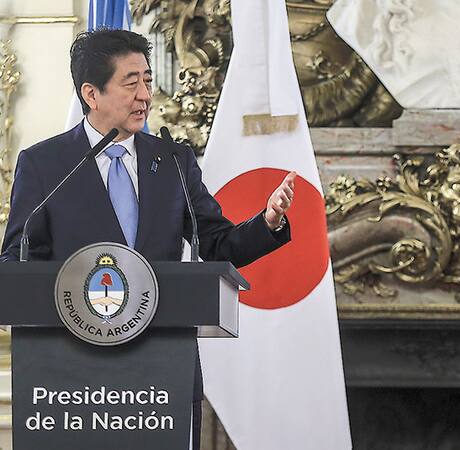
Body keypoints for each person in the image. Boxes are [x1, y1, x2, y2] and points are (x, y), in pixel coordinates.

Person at [0, 29, 296, 449]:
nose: (144, 95)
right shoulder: (45, 164)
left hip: (161, 370)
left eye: (147, 80)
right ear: (91, 93)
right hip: (75, 378)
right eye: (130, 83)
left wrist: (267, 222)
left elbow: (217, 242)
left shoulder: (173, 159)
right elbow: (17, 257)